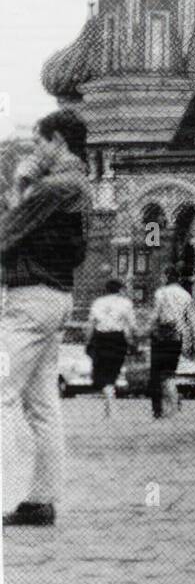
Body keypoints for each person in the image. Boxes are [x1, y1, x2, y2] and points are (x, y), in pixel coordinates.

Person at [1, 109, 92, 527]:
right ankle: (41, 498)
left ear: (58, 141)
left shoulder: (55, 187)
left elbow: (6, 234)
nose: (35, 150)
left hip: (30, 299)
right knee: (42, 405)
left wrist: (21, 182)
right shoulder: (77, 186)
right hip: (55, 298)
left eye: (40, 142)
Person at [86, 279, 137, 417]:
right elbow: (132, 325)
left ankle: (108, 398)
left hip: (101, 338)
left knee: (101, 370)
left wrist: (87, 341)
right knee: (113, 370)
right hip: (117, 338)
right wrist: (132, 341)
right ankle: (110, 397)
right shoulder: (126, 303)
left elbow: (91, 323)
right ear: (120, 290)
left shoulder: (98, 302)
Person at [148, 265, 192, 419]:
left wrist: (148, 330)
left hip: (161, 336)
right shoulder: (186, 295)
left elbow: (155, 315)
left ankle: (161, 410)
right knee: (170, 374)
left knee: (157, 375)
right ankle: (173, 407)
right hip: (176, 337)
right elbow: (188, 320)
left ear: (167, 276)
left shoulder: (161, 293)